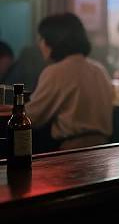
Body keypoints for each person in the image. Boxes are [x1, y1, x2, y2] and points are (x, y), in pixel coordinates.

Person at [14, 13, 113, 153]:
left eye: (42, 38)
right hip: (104, 150)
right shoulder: (99, 69)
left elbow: (33, 117)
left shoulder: (55, 72)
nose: (40, 44)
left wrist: (11, 110)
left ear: (53, 40)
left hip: (72, 152)